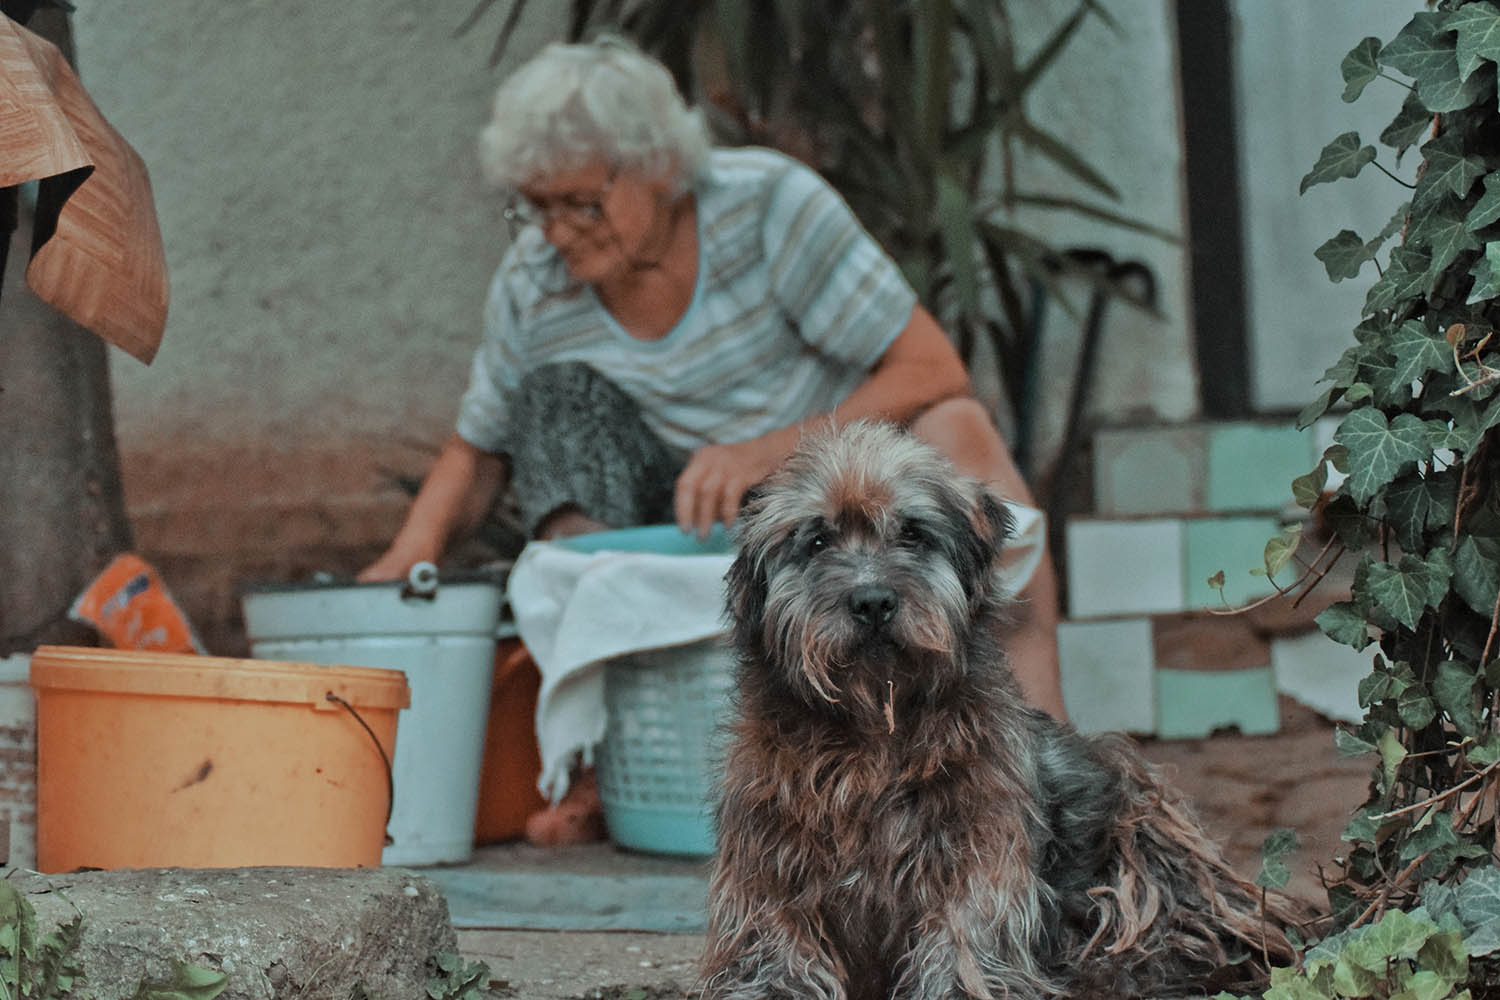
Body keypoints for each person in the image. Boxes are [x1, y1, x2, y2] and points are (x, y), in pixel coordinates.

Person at [359, 36, 1068, 842]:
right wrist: (400, 566)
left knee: (959, 427)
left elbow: (932, 366)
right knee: (552, 399)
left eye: (579, 202)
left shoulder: (768, 208)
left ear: (657, 166)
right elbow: (475, 448)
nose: (555, 232)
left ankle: (1038, 754)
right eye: (536, 205)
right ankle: (603, 765)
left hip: (826, 500)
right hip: (674, 521)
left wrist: (766, 453)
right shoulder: (534, 279)